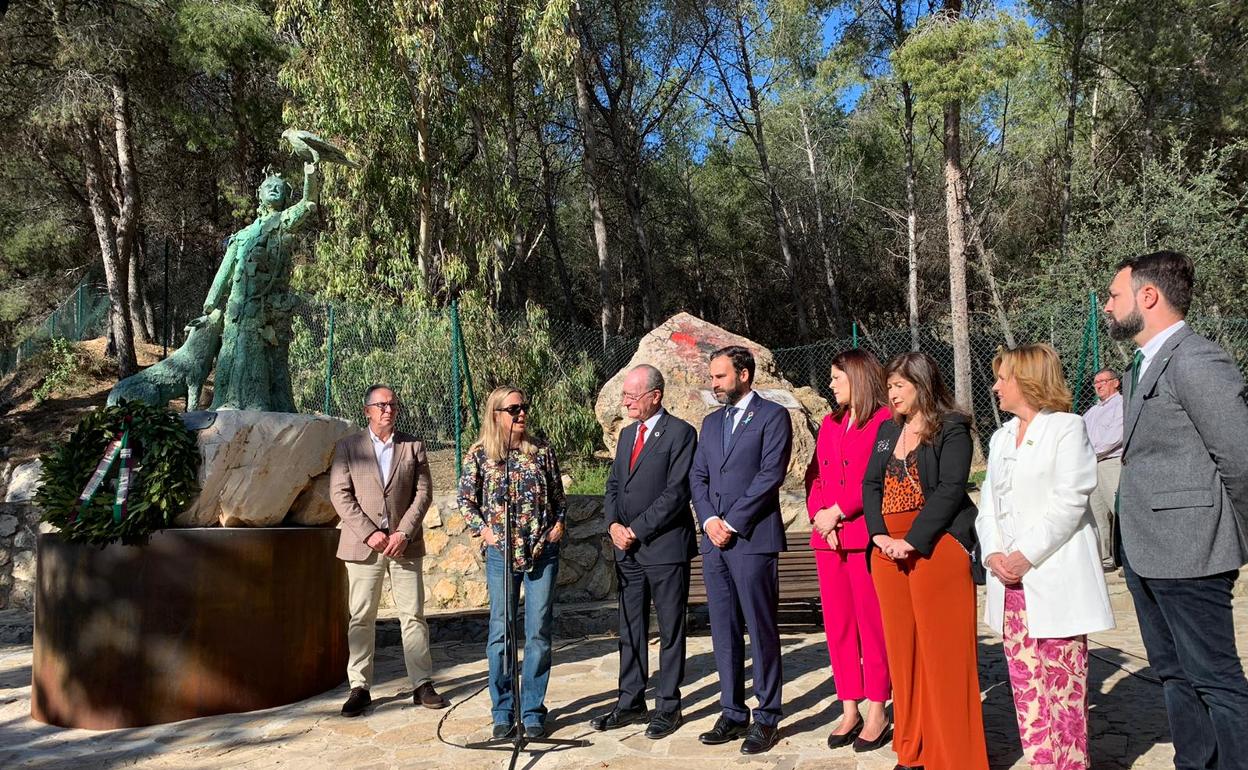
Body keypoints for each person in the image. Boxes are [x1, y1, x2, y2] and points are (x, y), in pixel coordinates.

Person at [1104, 250, 1248, 770]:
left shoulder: (1197, 359)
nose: (1106, 306)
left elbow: (1240, 457)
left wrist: (1233, 537)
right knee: (1172, 674)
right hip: (1146, 554)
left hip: (1193, 553)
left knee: (1216, 680)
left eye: (1114, 295)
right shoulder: (1138, 366)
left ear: (1149, 296)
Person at [977, 344, 1115, 770]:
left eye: (1004, 378)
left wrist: (1024, 555)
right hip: (1011, 586)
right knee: (1027, 694)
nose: (996, 386)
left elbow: (1070, 500)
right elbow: (987, 505)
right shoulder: (1000, 437)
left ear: (1028, 380)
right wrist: (995, 553)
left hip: (1054, 581)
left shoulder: (1068, 428)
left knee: (1065, 699)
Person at [862, 352, 989, 770]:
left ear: (922, 383)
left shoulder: (951, 426)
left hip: (936, 549)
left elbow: (952, 488)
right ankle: (912, 747)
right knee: (904, 654)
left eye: (899, 385)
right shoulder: (885, 431)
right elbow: (871, 483)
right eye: (889, 386)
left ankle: (953, 757)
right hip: (887, 554)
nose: (891, 393)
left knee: (944, 656)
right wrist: (879, 535)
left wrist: (912, 542)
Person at [690, 345, 793, 755]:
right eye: (712, 377)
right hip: (714, 542)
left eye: (719, 376)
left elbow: (770, 475)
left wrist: (732, 522)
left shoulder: (772, 417)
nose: (713, 384)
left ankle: (767, 716)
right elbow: (698, 476)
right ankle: (732, 711)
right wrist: (710, 520)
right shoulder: (711, 423)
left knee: (761, 628)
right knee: (723, 629)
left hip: (752, 540)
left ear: (744, 375)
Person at [590, 365, 698, 739]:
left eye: (633, 396)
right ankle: (630, 700)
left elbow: (676, 492)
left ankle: (668, 706)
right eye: (625, 395)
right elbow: (615, 484)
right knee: (630, 628)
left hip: (665, 548)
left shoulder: (681, 433)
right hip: (628, 552)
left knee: (670, 629)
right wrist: (614, 525)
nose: (626, 402)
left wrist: (637, 529)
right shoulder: (626, 435)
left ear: (656, 395)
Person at [329, 384, 447, 717]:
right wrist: (370, 534)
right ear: (367, 410)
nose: (388, 410)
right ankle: (359, 687)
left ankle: (421, 683)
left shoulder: (413, 446)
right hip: (363, 546)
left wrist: (402, 533)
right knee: (361, 617)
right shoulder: (348, 448)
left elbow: (423, 494)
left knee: (413, 616)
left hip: (404, 545)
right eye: (381, 405)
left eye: (393, 404)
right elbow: (340, 495)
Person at [458, 386, 567, 740]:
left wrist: (558, 526)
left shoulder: (542, 452)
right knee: (501, 631)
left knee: (538, 631)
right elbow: (465, 500)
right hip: (500, 554)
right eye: (513, 409)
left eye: (524, 407)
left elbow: (558, 498)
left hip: (542, 552)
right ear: (496, 414)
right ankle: (503, 711)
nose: (521, 414)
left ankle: (533, 712)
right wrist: (485, 531)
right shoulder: (480, 456)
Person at [803, 350, 892, 752]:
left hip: (861, 536)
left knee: (871, 626)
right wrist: (821, 514)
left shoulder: (884, 421)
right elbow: (816, 476)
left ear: (858, 377)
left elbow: (877, 477)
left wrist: (839, 512)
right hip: (829, 540)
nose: (832, 384)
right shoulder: (829, 423)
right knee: (838, 627)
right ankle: (849, 706)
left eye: (838, 377)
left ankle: (878, 708)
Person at [1082, 367, 1123, 568]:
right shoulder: (1091, 412)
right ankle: (1105, 559)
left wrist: (1088, 453)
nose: (1098, 385)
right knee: (1096, 513)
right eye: (1096, 382)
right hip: (1091, 466)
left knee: (1120, 511)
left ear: (1116, 382)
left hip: (1111, 463)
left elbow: (1113, 439)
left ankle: (1130, 560)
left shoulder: (1122, 405)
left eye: (1103, 381)